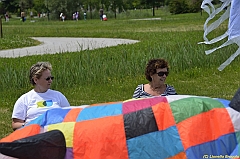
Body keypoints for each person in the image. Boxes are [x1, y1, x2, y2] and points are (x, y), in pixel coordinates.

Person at [11, 62, 70, 130]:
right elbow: (15, 124)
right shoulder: (25, 99)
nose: (50, 81)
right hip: (34, 135)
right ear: (36, 80)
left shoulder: (58, 96)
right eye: (47, 79)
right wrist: (31, 124)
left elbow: (69, 115)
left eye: (51, 78)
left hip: (55, 133)